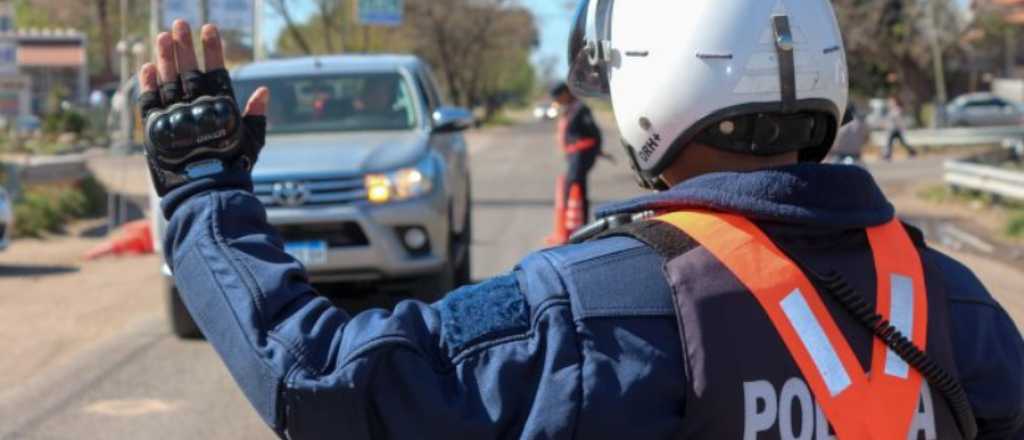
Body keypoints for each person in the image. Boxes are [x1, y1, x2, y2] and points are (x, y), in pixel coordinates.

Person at [140, 5, 1024, 439]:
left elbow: (323, 384)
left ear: (648, 81)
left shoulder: (592, 308)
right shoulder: (958, 306)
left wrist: (201, 193)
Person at [546, 82, 603, 245]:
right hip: (573, 154)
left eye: (558, 97)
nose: (558, 101)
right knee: (574, 186)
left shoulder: (581, 109)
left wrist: (596, 150)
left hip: (581, 154)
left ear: (565, 93)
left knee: (574, 184)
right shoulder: (569, 109)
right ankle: (573, 228)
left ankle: (580, 228)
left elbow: (594, 133)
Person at [885, 95, 918, 160]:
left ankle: (887, 155)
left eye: (891, 101)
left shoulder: (897, 109)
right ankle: (912, 152)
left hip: (895, 129)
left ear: (895, 102)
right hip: (892, 129)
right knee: (901, 142)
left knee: (890, 142)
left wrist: (901, 127)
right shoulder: (891, 110)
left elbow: (898, 119)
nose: (890, 103)